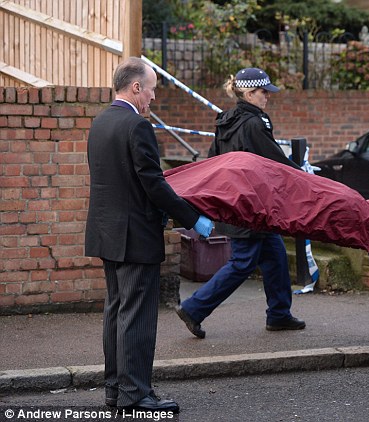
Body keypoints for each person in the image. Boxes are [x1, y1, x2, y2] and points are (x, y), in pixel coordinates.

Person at [85, 57, 213, 411]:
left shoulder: (100, 122)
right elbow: (153, 184)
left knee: (116, 312)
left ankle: (115, 390)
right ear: (136, 87)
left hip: (106, 234)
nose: (154, 98)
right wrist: (191, 217)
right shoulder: (135, 125)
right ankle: (135, 394)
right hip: (135, 237)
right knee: (137, 317)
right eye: (152, 89)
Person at [176, 67, 306, 338]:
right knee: (242, 263)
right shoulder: (255, 123)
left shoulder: (226, 121)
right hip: (252, 207)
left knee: (276, 256)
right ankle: (194, 308)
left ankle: (279, 314)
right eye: (263, 92)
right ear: (248, 93)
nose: (267, 97)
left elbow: (214, 160)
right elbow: (274, 160)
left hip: (237, 204)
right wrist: (304, 176)